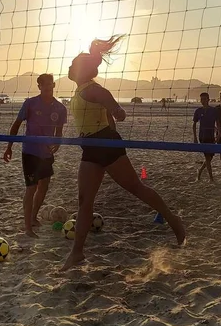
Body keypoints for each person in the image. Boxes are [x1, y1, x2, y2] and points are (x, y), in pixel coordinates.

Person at [61, 35, 186, 272]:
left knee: (135, 188)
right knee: (84, 201)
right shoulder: (80, 91)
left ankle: (173, 220)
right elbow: (106, 114)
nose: (68, 67)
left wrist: (116, 112)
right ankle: (77, 253)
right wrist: (111, 117)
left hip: (105, 144)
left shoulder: (93, 90)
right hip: (90, 147)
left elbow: (113, 107)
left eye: (72, 64)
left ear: (81, 70)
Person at [3, 73, 67, 237]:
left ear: (53, 85)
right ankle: (28, 229)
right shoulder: (30, 103)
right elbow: (16, 124)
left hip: (46, 153)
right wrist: (9, 146)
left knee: (44, 186)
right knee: (31, 188)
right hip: (30, 151)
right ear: (39, 87)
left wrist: (57, 143)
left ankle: (33, 217)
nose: (46, 87)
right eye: (43, 84)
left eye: (49, 84)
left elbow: (58, 131)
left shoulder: (60, 108)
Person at [193, 92, 218, 182]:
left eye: (204, 99)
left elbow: (216, 123)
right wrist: (195, 137)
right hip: (202, 136)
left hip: (211, 136)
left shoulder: (213, 110)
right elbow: (194, 124)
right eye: (201, 99)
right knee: (207, 158)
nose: (202, 101)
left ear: (208, 99)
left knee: (210, 158)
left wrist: (217, 134)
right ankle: (211, 178)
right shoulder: (198, 111)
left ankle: (199, 171)